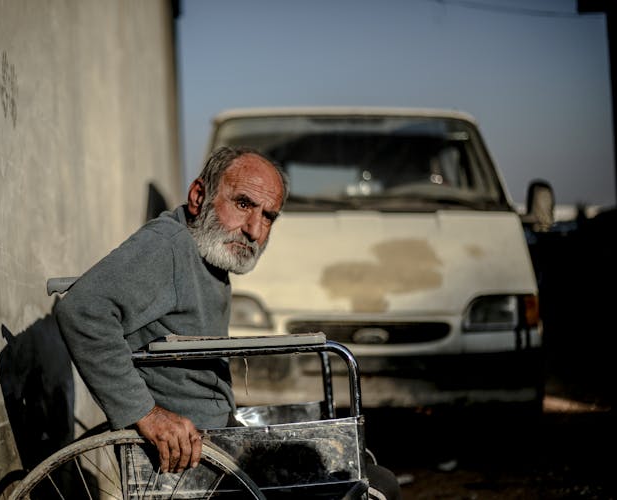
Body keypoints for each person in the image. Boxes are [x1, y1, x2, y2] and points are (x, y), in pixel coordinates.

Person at [54, 146, 402, 499]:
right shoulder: (169, 247)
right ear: (198, 196)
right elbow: (83, 310)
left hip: (220, 438)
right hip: (194, 458)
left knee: (363, 471)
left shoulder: (208, 257)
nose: (254, 229)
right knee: (374, 485)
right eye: (243, 204)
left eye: (268, 216)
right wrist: (148, 414)